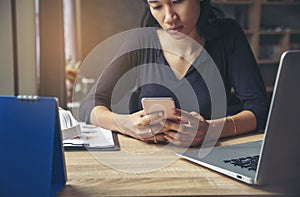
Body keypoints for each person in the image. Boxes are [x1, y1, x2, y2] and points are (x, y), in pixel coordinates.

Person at [79, 0, 268, 147]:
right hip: (151, 161)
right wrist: (125, 124)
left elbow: (259, 109)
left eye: (177, 2)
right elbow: (89, 105)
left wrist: (210, 130)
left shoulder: (228, 34)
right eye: (157, 6)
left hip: (212, 158)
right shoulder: (141, 40)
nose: (169, 17)